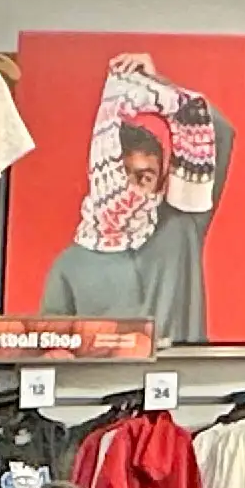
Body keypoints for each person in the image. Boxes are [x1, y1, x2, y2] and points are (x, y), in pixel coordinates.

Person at [39, 114, 210, 338]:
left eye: (145, 178)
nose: (130, 190)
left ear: (159, 183)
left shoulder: (181, 231)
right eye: (121, 176)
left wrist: (156, 93)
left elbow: (216, 132)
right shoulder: (68, 266)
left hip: (182, 373)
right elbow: (51, 354)